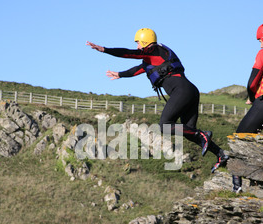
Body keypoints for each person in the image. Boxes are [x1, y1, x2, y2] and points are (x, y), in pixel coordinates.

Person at [87, 28, 228, 173]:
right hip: (191, 91)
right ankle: (220, 154)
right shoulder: (154, 58)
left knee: (164, 126)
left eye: (138, 43)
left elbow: (129, 53)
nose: (137, 47)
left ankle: (204, 135)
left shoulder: (154, 50)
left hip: (182, 92)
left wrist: (104, 49)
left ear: (145, 41)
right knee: (190, 132)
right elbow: (136, 69)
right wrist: (120, 74)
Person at [232, 22, 263, 193]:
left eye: (260, 40)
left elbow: (252, 83)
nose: (260, 44)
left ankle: (236, 187)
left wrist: (251, 98)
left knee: (239, 139)